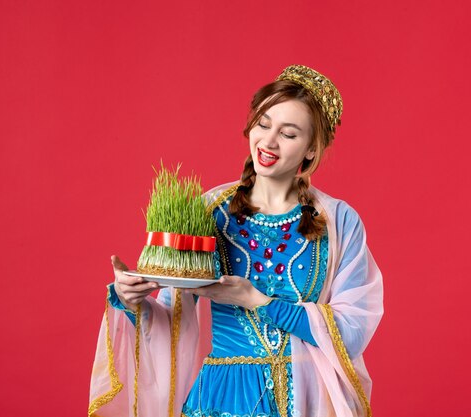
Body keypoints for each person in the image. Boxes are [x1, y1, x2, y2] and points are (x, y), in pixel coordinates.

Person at [89, 65, 384, 417]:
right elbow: (173, 315)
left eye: (288, 134)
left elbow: (350, 333)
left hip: (308, 400)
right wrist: (131, 299)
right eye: (263, 124)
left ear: (311, 149)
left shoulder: (338, 222)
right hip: (223, 398)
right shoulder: (211, 212)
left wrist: (256, 299)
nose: (269, 141)